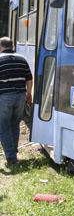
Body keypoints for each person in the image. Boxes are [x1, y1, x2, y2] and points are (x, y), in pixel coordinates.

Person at [0, 37, 33, 166]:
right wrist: (28, 94)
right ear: (12, 45)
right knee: (15, 124)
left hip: (4, 97)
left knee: (3, 126)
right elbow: (29, 78)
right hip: (20, 96)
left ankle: (11, 157)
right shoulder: (22, 59)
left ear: (1, 46)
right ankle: (13, 151)